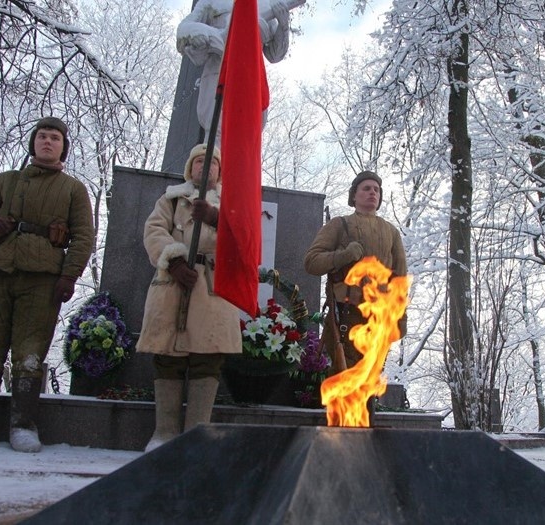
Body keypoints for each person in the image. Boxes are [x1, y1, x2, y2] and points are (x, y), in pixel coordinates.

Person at [0, 117, 94, 453]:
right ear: (33, 143)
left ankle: (23, 425)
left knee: (30, 355)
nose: (47, 142)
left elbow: (84, 237)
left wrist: (69, 275)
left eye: (54, 138)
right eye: (42, 136)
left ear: (63, 147)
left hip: (42, 280)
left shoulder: (73, 189)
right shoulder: (7, 182)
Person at [136, 144, 242, 453]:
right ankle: (164, 432)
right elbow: (154, 231)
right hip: (173, 282)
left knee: (207, 358)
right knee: (167, 355)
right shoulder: (170, 199)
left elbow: (243, 240)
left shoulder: (231, 203)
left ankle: (197, 434)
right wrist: (175, 261)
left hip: (213, 288)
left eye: (211, 164)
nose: (205, 167)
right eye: (198, 162)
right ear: (189, 168)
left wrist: (215, 218)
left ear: (220, 171)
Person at [303, 171, 408, 371]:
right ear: (354, 195)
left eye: (376, 190)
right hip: (345, 315)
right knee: (345, 381)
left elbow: (399, 280)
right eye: (366, 188)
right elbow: (311, 262)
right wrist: (344, 255)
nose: (372, 193)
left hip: (379, 318)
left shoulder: (392, 232)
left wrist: (401, 317)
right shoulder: (339, 225)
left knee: (370, 384)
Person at [175, 0, 293, 145]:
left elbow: (275, 55)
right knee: (216, 136)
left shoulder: (265, 3)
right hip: (218, 77)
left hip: (251, 81)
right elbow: (183, 30)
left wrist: (283, 26)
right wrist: (208, 36)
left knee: (247, 142)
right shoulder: (211, 2)